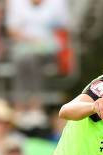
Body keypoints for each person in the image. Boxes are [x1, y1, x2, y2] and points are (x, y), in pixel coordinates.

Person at [5, 0, 70, 128]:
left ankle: (34, 106)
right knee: (23, 58)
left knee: (32, 58)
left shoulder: (58, 3)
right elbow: (12, 29)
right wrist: (30, 41)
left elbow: (63, 27)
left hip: (49, 49)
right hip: (23, 46)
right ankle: (22, 107)